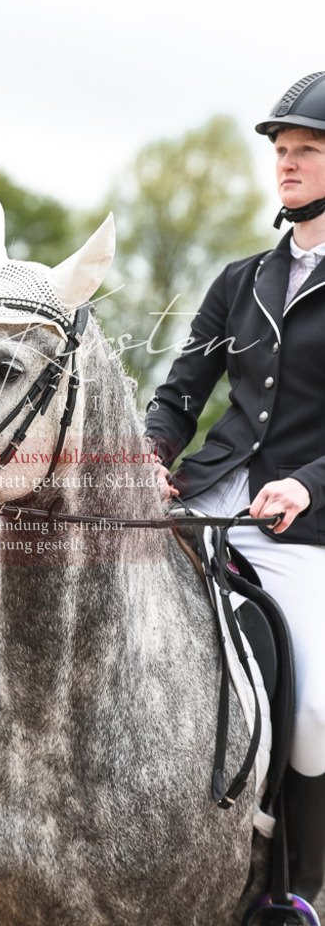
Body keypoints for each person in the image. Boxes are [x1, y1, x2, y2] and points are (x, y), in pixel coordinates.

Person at [145, 71, 325, 924]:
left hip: (301, 533)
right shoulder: (239, 279)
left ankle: (292, 888)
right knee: (14, 585)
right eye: (282, 152)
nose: (286, 166)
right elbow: (182, 389)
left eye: (307, 151)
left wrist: (307, 483)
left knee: (318, 711)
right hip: (205, 503)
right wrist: (150, 453)